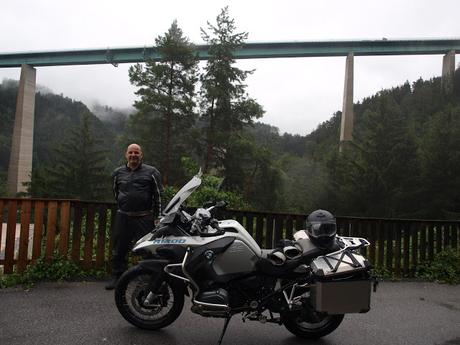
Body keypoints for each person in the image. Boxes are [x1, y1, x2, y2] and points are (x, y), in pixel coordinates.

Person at [105, 143, 162, 290]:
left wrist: (158, 216)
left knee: (148, 249)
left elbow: (159, 196)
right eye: (131, 152)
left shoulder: (152, 172)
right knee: (119, 249)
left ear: (141, 155)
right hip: (123, 217)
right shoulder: (117, 173)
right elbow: (116, 193)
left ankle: (149, 279)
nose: (133, 155)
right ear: (126, 155)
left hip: (145, 218)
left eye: (136, 153)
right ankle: (118, 277)